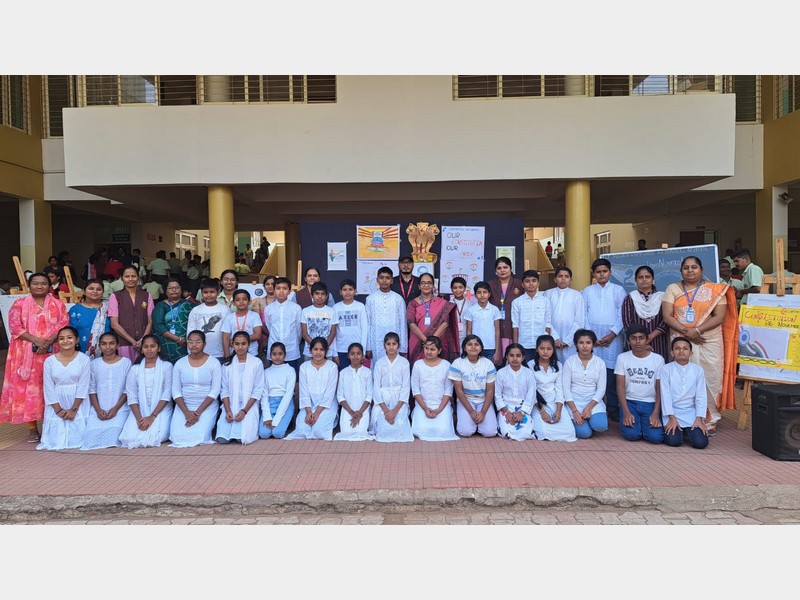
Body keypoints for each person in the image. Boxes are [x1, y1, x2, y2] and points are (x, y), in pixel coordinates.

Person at [661, 255, 738, 435]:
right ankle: (683, 416)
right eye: (686, 267)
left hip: (709, 339)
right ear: (681, 271)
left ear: (701, 270)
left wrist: (697, 331)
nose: (690, 270)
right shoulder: (672, 288)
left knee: (711, 376)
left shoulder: (714, 290)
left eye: (694, 267)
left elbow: (720, 316)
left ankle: (710, 418)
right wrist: (688, 333)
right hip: (681, 339)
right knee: (683, 379)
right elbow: (667, 316)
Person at [0, 273, 69, 443]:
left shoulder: (58, 304)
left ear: (49, 285)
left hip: (52, 353)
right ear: (29, 286)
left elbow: (64, 324)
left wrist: (48, 342)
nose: (39, 286)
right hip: (26, 355)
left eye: (43, 283)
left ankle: (51, 425)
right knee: (31, 391)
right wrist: (37, 340)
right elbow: (15, 327)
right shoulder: (20, 304)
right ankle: (32, 429)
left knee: (51, 388)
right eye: (36, 283)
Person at [582, 258, 626, 422]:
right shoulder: (587, 291)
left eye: (604, 271)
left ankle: (613, 409)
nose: (601, 274)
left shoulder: (618, 290)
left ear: (610, 272)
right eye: (598, 272)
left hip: (613, 338)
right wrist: (591, 337)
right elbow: (583, 314)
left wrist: (612, 334)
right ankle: (592, 407)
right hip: (592, 337)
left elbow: (623, 314)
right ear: (594, 274)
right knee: (593, 371)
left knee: (611, 374)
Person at [36, 326, 91, 450]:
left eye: (69, 337)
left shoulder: (84, 359)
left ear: (76, 340)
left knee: (79, 437)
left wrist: (74, 409)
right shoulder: (49, 361)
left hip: (78, 400)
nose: (65, 341)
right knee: (55, 441)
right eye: (61, 338)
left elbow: (83, 386)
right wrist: (58, 410)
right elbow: (48, 387)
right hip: (56, 400)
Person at [118, 334, 174, 448]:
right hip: (140, 410)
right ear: (142, 349)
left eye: (152, 346)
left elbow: (167, 394)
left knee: (158, 436)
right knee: (129, 437)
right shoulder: (135, 369)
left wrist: (152, 417)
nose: (149, 349)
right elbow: (132, 395)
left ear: (158, 348)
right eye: (146, 347)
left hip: (160, 409)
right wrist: (139, 418)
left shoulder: (167, 367)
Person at [168, 330, 222, 448]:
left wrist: (197, 413)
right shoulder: (180, 363)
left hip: (206, 406)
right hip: (184, 407)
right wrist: (187, 413)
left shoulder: (214, 363)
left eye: (198, 342)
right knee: (176, 437)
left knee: (200, 436)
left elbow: (215, 391)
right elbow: (176, 391)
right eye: (190, 342)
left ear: (204, 344)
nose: (194, 345)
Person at [615, 324, 665, 444]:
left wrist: (656, 413)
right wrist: (626, 412)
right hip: (630, 402)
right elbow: (620, 387)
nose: (638, 342)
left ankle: (643, 425)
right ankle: (639, 425)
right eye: (633, 338)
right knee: (631, 435)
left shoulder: (658, 359)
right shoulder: (622, 358)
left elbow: (659, 389)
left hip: (650, 403)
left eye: (641, 338)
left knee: (656, 438)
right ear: (628, 341)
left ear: (647, 339)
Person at [82, 332, 132, 450]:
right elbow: (92, 389)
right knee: (90, 439)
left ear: (118, 346)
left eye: (111, 343)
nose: (108, 347)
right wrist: (98, 410)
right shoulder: (94, 364)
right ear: (99, 346)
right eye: (104, 344)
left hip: (120, 409)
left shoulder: (126, 363)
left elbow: (127, 389)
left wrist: (115, 409)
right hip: (99, 409)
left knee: (115, 435)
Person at [286, 337, 340, 440]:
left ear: (326, 351)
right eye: (315, 349)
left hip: (326, 405)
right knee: (302, 431)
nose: (318, 352)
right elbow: (304, 391)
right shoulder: (304, 367)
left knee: (318, 431)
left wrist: (317, 413)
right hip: (308, 405)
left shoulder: (332, 367)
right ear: (310, 351)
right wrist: (309, 411)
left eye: (321, 349)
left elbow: (330, 393)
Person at [661, 337, 709, 449]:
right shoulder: (666, 369)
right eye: (677, 348)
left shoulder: (698, 370)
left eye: (685, 348)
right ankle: (681, 432)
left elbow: (701, 395)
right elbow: (665, 395)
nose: (681, 351)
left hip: (691, 413)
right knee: (674, 441)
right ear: (672, 352)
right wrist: (672, 418)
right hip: (672, 413)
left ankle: (687, 431)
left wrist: (699, 419)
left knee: (701, 443)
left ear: (691, 353)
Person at [216, 331, 264, 445]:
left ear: (248, 344)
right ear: (232, 344)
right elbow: (224, 390)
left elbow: (257, 390)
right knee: (222, 439)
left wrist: (244, 411)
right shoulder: (227, 365)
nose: (240, 347)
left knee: (242, 438)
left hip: (248, 407)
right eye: (237, 344)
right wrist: (228, 410)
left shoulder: (256, 363)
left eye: (243, 343)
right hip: (231, 406)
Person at [528, 335, 577, 442]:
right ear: (536, 349)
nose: (545, 352)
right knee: (542, 432)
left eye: (549, 349)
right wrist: (542, 411)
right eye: (542, 348)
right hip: (537, 404)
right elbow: (531, 391)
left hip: (555, 402)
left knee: (569, 433)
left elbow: (559, 389)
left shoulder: (558, 365)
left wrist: (559, 410)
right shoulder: (530, 365)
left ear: (553, 350)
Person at [562, 329, 608, 439]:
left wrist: (588, 408)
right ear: (576, 345)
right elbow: (566, 389)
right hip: (574, 403)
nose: (585, 346)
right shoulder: (569, 362)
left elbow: (601, 389)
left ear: (593, 344)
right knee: (584, 434)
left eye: (588, 343)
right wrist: (574, 411)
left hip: (593, 403)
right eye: (581, 343)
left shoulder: (600, 363)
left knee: (600, 426)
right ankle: (582, 422)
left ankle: (592, 420)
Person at [410, 336, 458, 441]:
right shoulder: (418, 365)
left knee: (443, 430)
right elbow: (415, 390)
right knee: (421, 430)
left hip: (441, 405)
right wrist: (425, 408)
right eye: (426, 348)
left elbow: (448, 390)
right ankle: (417, 413)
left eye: (432, 349)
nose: (429, 351)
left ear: (439, 350)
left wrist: (439, 409)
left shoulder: (446, 365)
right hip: (423, 404)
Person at [449, 334, 498, 438]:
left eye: (476, 344)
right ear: (464, 348)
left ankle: (479, 423)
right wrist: (471, 411)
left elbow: (490, 391)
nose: (473, 347)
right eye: (469, 344)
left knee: (490, 432)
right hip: (466, 400)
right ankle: (471, 422)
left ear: (481, 348)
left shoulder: (488, 364)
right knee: (465, 432)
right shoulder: (457, 363)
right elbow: (458, 390)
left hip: (483, 401)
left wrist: (483, 412)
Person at [406, 272, 459, 363]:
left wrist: (432, 342)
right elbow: (411, 324)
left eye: (429, 283)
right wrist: (426, 340)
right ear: (419, 286)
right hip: (417, 341)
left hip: (437, 342)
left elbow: (445, 323)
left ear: (433, 286)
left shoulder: (442, 302)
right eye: (423, 283)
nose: (426, 285)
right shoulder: (412, 303)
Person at [370, 332, 413, 442]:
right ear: (384, 345)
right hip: (382, 400)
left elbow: (405, 387)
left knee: (400, 428)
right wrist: (386, 411)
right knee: (381, 427)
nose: (391, 346)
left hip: (399, 400)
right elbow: (376, 387)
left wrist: (394, 411)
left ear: (398, 345)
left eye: (394, 344)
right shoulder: (379, 363)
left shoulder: (404, 363)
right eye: (388, 344)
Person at [621, 265, 669, 362]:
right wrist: (641, 341)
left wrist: (650, 337)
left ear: (653, 280)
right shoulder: (630, 298)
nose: (644, 280)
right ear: (635, 280)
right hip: (636, 344)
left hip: (659, 342)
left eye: (647, 277)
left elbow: (666, 320)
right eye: (640, 277)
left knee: (659, 369)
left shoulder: (663, 297)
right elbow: (627, 323)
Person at [108, 265, 154, 362]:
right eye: (127, 276)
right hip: (123, 342)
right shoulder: (115, 296)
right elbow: (114, 324)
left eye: (133, 276)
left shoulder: (146, 295)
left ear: (138, 277)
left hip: (144, 343)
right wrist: (132, 341)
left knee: (143, 370)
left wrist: (143, 340)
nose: (130, 279)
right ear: (122, 278)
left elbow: (150, 321)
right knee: (126, 370)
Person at [333, 342, 375, 441]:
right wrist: (351, 412)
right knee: (346, 433)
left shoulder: (367, 372)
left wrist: (360, 413)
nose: (355, 356)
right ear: (348, 355)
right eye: (352, 354)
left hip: (363, 410)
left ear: (362, 356)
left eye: (358, 353)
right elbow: (340, 396)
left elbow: (369, 396)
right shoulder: (343, 373)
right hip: (348, 410)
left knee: (361, 433)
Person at [365, 267, 408, 362]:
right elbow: (368, 323)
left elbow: (403, 323)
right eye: (381, 278)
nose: (384, 280)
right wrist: (368, 346)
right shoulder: (370, 299)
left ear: (392, 281)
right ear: (377, 280)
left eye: (387, 278)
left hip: (395, 342)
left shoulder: (398, 299)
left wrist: (403, 347)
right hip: (376, 341)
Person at [494, 343, 536, 441]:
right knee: (506, 431)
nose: (515, 359)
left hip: (523, 408)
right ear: (507, 357)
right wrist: (507, 412)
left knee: (525, 431)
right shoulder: (501, 373)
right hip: (506, 408)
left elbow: (531, 396)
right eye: (511, 355)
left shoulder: (528, 373)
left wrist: (521, 412)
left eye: (518, 356)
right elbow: (497, 395)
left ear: (523, 357)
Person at [543, 266, 585, 363]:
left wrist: (568, 341)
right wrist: (555, 338)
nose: (563, 279)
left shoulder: (577, 295)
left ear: (571, 279)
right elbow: (545, 318)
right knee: (553, 365)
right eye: (560, 276)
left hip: (571, 339)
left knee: (570, 365)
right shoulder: (548, 294)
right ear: (555, 279)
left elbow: (579, 321)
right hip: (552, 338)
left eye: (566, 276)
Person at [264, 277, 304, 376]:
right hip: (274, 348)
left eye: (284, 288)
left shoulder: (296, 308)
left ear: (289, 291)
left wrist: (295, 342)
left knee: (292, 376)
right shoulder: (268, 309)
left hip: (291, 348)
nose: (281, 291)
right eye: (278, 288)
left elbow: (299, 330)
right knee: (274, 376)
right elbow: (269, 327)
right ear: (274, 290)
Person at [511, 269, 552, 363]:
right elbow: (515, 325)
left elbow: (548, 323)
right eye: (527, 281)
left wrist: (547, 344)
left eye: (534, 281)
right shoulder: (517, 302)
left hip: (541, 345)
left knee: (540, 369)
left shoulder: (545, 301)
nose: (531, 284)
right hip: (524, 343)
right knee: (526, 371)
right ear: (522, 284)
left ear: (538, 283)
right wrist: (516, 345)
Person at [259, 342, 297, 439]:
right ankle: (278, 421)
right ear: (270, 355)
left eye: (280, 354)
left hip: (285, 403)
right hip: (270, 403)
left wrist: (276, 420)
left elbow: (288, 395)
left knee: (277, 433)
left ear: (285, 355)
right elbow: (264, 395)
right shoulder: (266, 372)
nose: (277, 357)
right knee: (263, 434)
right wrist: (267, 417)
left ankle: (287, 422)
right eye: (274, 354)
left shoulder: (290, 370)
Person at [488, 256, 524, 357]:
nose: (502, 270)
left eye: (505, 267)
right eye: (499, 268)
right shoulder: (490, 285)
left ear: (510, 268)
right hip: (495, 327)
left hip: (514, 326)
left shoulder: (520, 284)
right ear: (495, 271)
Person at [187, 278, 230, 362]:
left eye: (212, 292)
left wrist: (227, 352)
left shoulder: (225, 310)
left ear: (218, 292)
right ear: (201, 293)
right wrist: (190, 352)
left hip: (220, 353)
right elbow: (190, 332)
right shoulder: (196, 310)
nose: (209, 295)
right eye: (205, 292)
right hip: (200, 353)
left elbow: (228, 332)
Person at [152, 278, 193, 364]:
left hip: (188, 343)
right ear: (165, 291)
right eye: (170, 288)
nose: (174, 290)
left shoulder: (189, 304)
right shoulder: (160, 306)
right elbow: (159, 326)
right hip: (167, 344)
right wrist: (178, 339)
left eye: (177, 288)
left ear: (181, 289)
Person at [68, 278, 110, 358]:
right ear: (84, 291)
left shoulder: (108, 309)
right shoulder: (75, 310)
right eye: (91, 289)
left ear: (102, 292)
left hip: (106, 352)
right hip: (80, 353)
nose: (95, 291)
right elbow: (70, 332)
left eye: (98, 289)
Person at [464, 281, 502, 366]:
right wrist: (468, 347)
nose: (482, 295)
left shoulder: (494, 309)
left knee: (488, 372)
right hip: (475, 347)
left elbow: (497, 331)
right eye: (479, 292)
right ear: (475, 294)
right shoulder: (471, 310)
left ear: (489, 294)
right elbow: (469, 331)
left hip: (490, 348)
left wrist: (497, 351)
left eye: (485, 292)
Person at [333, 279, 368, 370]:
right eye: (344, 290)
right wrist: (335, 353)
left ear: (355, 291)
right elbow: (333, 333)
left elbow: (364, 329)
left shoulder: (360, 307)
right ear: (340, 292)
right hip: (342, 349)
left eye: (350, 289)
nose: (347, 292)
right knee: (343, 376)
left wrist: (363, 350)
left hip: (357, 350)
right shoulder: (335, 308)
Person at [300, 281, 338, 361]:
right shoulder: (305, 311)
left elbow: (333, 332)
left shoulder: (331, 311)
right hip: (309, 352)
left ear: (326, 295)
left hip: (327, 352)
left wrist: (323, 348)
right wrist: (315, 347)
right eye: (317, 293)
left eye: (322, 294)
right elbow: (304, 333)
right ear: (312, 295)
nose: (320, 296)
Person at [220, 289, 263, 358]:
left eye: (244, 299)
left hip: (252, 353)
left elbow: (257, 335)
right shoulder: (229, 318)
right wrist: (227, 356)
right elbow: (225, 338)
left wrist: (237, 341)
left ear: (249, 302)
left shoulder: (254, 315)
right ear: (233, 303)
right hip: (234, 353)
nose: (241, 302)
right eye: (237, 300)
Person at [448, 276, 475, 350]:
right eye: (455, 288)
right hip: (453, 337)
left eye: (460, 287)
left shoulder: (471, 305)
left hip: (467, 336)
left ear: (465, 288)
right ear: (451, 289)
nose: (458, 290)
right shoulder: (448, 305)